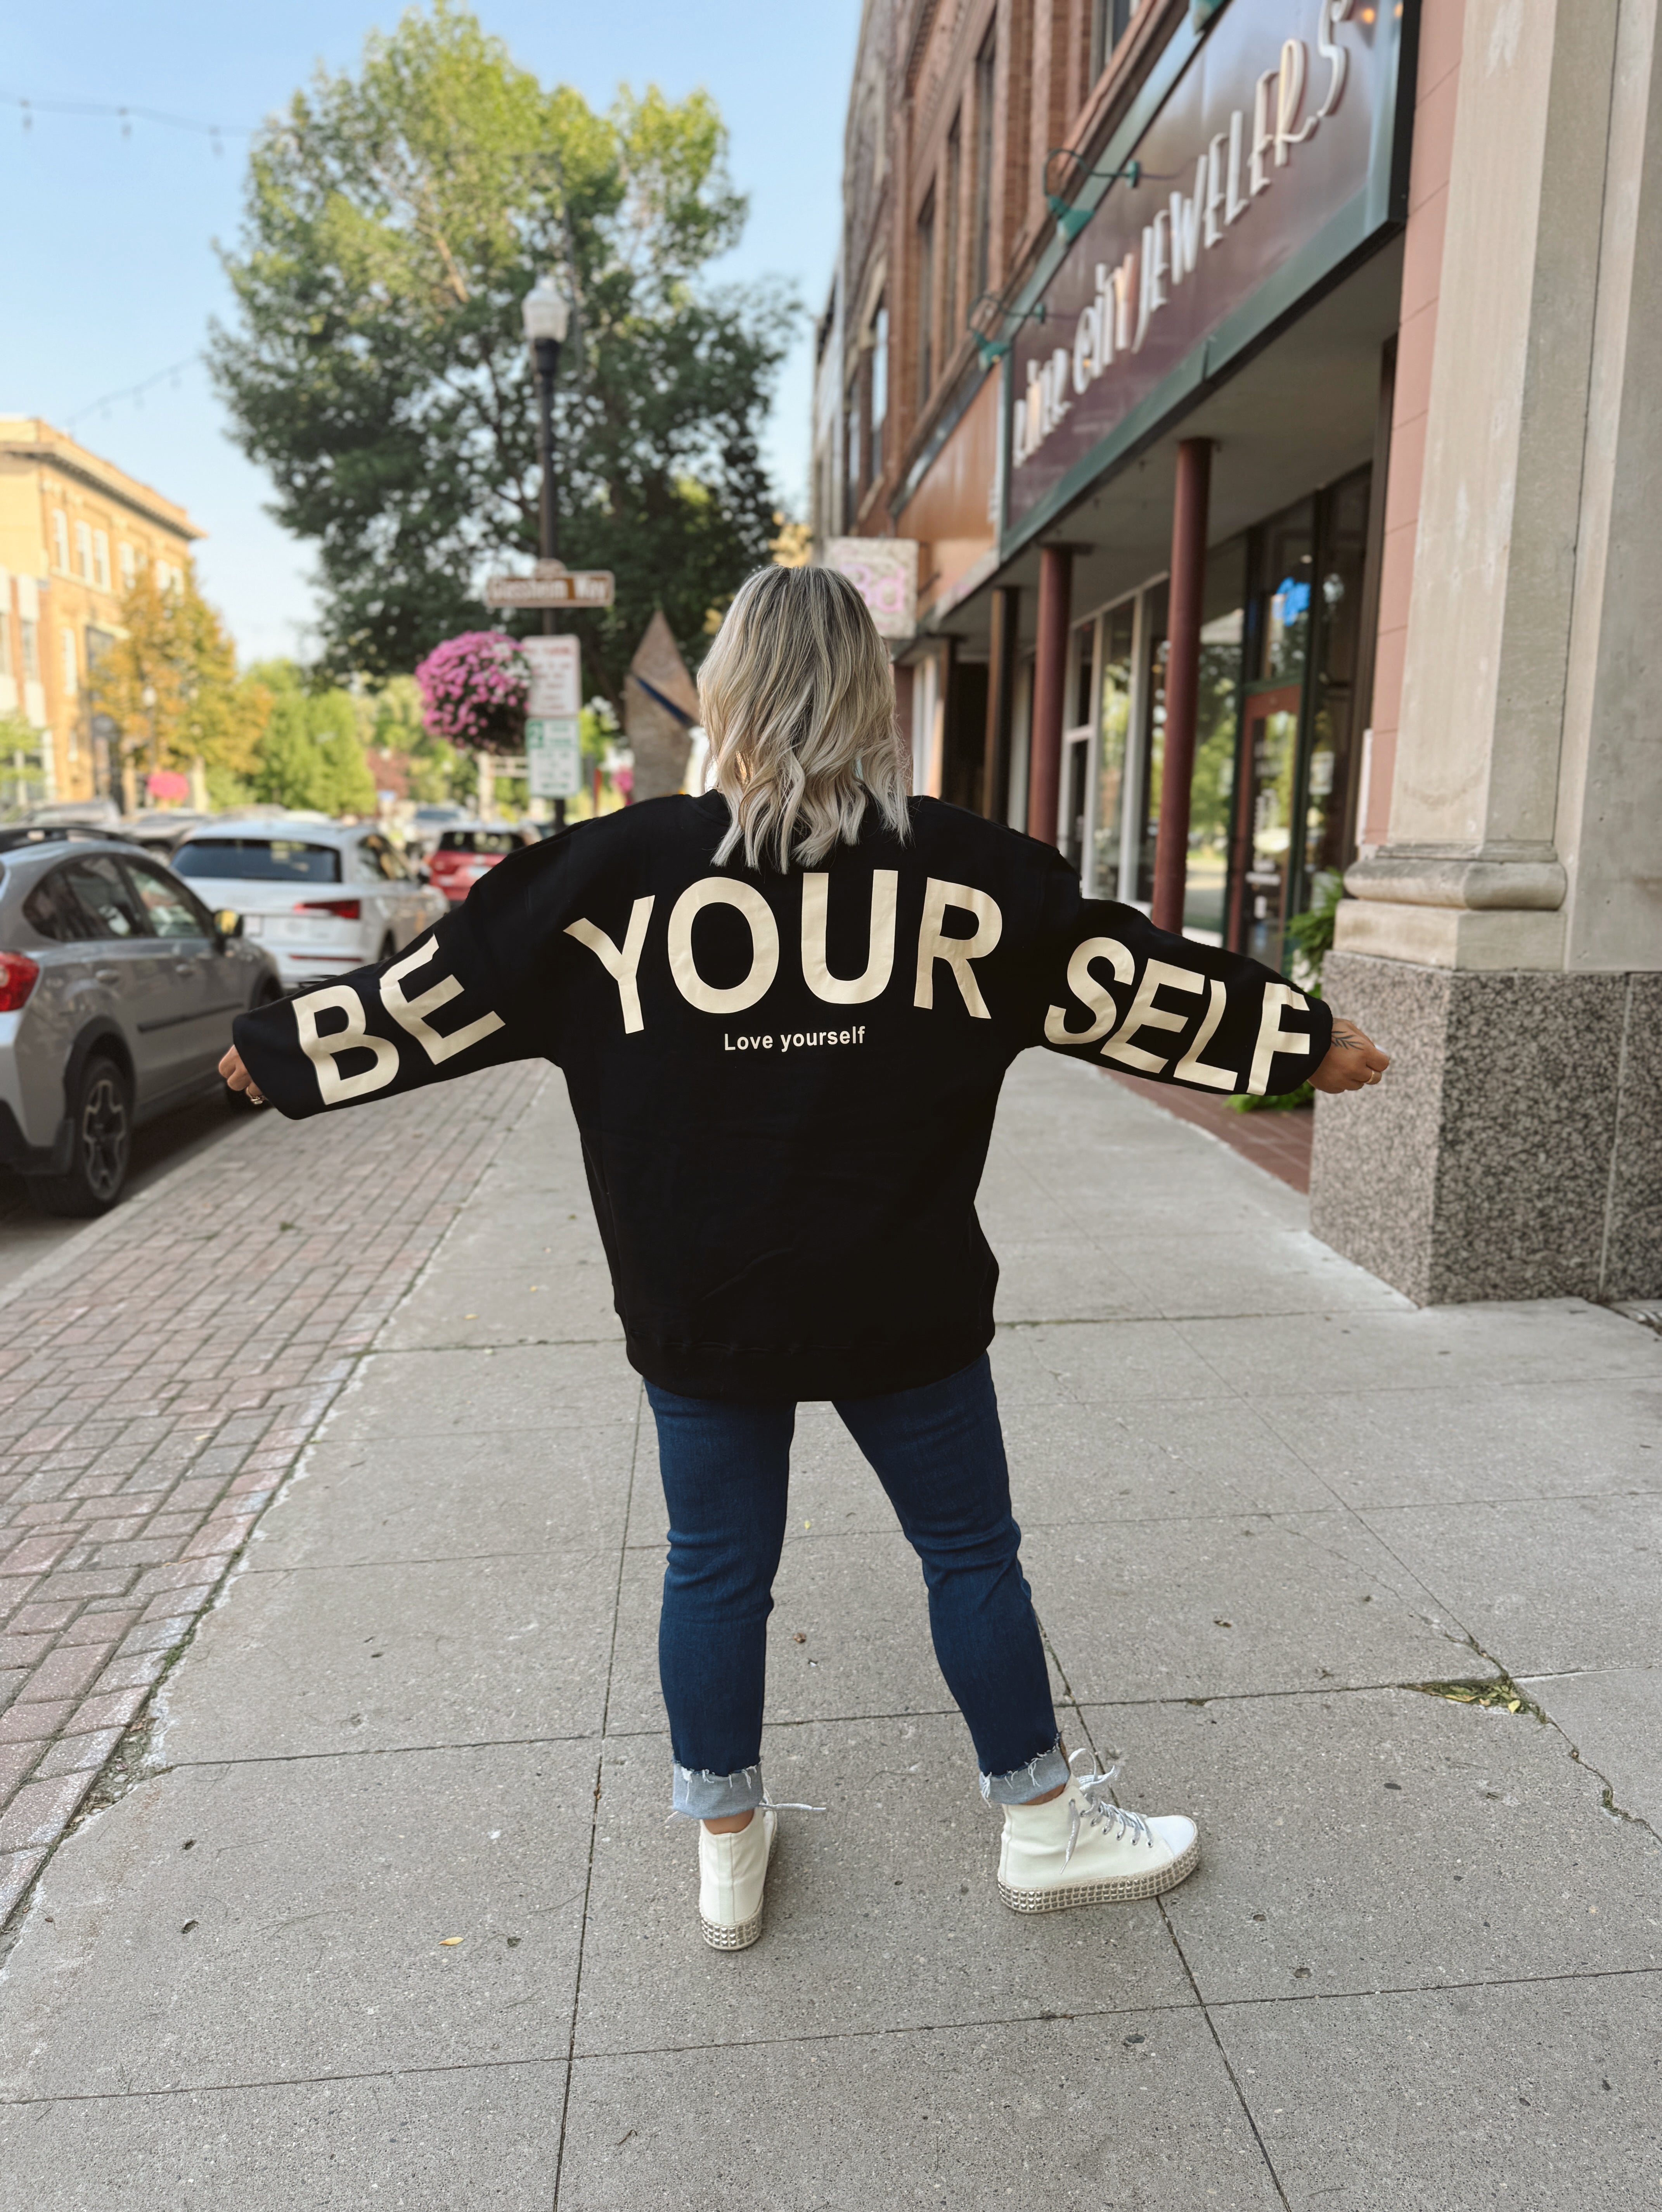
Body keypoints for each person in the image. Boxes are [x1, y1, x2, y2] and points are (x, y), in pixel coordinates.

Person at [222, 566, 1389, 1952]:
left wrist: (283, 1056)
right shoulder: (967, 875)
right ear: (870, 699)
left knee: (713, 1569)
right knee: (968, 1556)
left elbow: (435, 993)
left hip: (701, 1304)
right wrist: (1299, 1040)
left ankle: (725, 1847)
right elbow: (1128, 983)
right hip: (903, 1298)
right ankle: (1040, 1826)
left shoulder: (607, 877)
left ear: (721, 699)